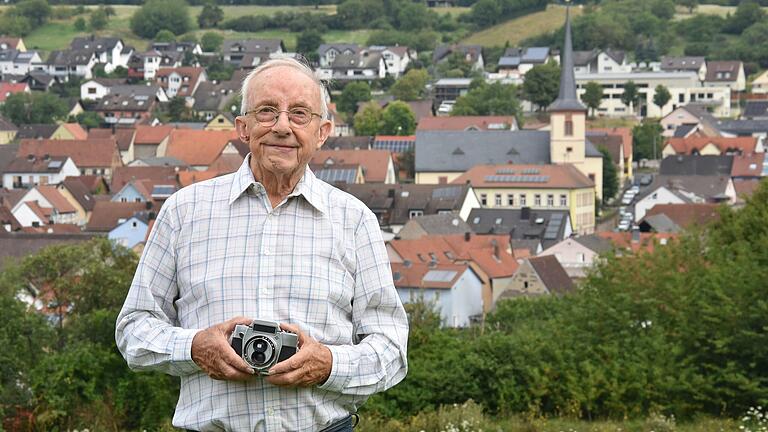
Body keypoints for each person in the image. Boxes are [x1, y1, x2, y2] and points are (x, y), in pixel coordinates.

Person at [115, 57, 409, 432]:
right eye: (267, 111)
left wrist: (329, 365)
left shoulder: (354, 222)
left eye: (300, 114)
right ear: (243, 127)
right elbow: (133, 328)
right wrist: (193, 348)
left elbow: (391, 351)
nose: (282, 126)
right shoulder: (184, 212)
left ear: (323, 132)